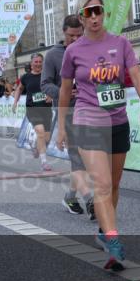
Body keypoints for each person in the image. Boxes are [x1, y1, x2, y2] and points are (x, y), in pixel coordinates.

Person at [56, 0, 140, 271]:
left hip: (118, 120)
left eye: (98, 11)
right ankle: (113, 240)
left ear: (104, 14)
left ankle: (103, 229)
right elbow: (65, 90)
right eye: (89, 12)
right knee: (100, 183)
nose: (95, 17)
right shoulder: (73, 51)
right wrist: (62, 127)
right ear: (82, 17)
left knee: (112, 185)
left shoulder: (121, 43)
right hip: (87, 119)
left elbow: (135, 75)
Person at [41, 14, 94, 218]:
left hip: (89, 109)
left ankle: (70, 196)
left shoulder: (88, 48)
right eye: (71, 35)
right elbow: (45, 84)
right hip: (68, 111)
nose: (75, 39)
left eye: (79, 35)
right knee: (77, 159)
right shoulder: (53, 55)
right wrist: (63, 92)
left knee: (86, 160)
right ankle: (90, 201)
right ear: (64, 32)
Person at [13, 53, 54, 171]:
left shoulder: (48, 76)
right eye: (35, 62)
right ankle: (44, 162)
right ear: (31, 63)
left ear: (43, 62)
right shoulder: (26, 77)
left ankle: (35, 145)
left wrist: (52, 95)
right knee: (40, 131)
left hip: (46, 109)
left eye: (40, 61)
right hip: (32, 108)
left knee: (46, 138)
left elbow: (56, 88)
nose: (38, 64)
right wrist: (15, 102)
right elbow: (19, 89)